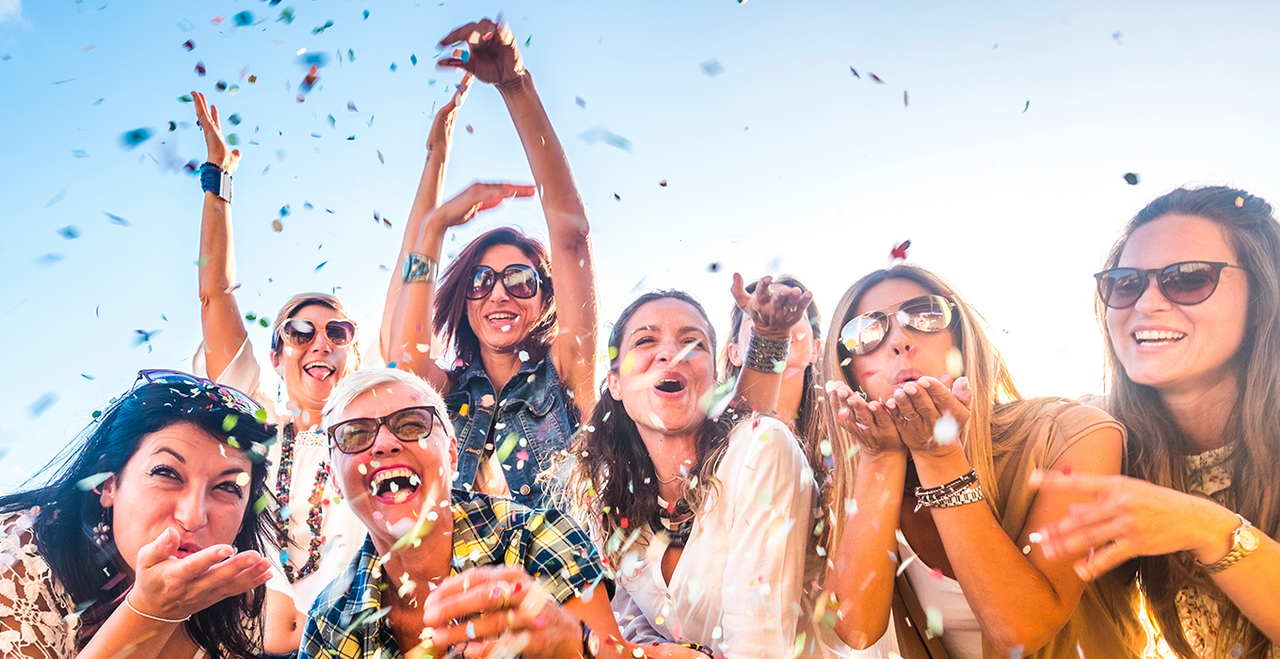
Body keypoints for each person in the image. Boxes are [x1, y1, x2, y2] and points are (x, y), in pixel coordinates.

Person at [821, 265, 1137, 658]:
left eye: (925, 314)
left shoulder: (1075, 433)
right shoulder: (866, 476)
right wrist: (879, 456)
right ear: (850, 375)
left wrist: (940, 455)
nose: (900, 339)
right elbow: (854, 629)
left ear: (961, 338)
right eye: (866, 332)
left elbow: (1022, 631)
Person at [1032, 186, 1280, 658]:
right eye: (1126, 283)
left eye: (1187, 278)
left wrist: (1210, 530)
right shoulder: (1100, 439)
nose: (1145, 304)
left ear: (1263, 295)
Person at [300, 368, 693, 659]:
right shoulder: (328, 618)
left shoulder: (540, 536)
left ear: (452, 453)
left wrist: (573, 645)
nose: (384, 443)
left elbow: (612, 652)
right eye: (354, 434)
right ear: (334, 480)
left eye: (411, 423)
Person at [384, 17, 599, 510]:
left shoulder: (568, 372)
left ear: (546, 299)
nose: (499, 294)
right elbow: (401, 355)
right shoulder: (445, 391)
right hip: (466, 586)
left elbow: (572, 239)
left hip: (565, 585)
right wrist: (433, 230)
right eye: (480, 282)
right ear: (464, 304)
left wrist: (515, 86)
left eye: (520, 280)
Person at [562, 290, 841, 658]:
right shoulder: (612, 501)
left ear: (713, 380)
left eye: (691, 343)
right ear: (615, 383)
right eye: (645, 340)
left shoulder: (760, 449)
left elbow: (760, 648)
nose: (670, 353)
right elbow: (634, 637)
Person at [191, 90, 367, 653]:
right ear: (276, 355)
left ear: (353, 357)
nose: (319, 343)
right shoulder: (255, 429)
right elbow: (215, 294)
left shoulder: (378, 439)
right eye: (300, 331)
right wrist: (219, 182)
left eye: (337, 332)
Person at [0, 370, 275, 659]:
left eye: (228, 487)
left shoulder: (235, 598)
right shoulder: (18, 557)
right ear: (106, 482)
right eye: (166, 473)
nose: (193, 516)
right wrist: (152, 612)